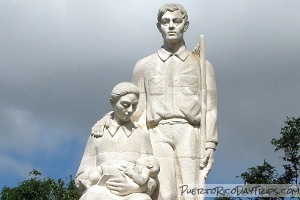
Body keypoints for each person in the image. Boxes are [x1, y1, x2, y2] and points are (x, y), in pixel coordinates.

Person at [131, 4, 218, 200]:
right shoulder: (143, 66)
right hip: (156, 131)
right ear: (158, 26)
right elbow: (136, 110)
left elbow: (210, 108)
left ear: (185, 25)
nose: (171, 26)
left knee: (192, 192)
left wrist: (210, 144)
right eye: (165, 22)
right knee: (164, 193)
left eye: (176, 21)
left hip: (189, 131)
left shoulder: (203, 65)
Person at [75, 82, 158, 200]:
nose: (130, 110)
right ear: (113, 103)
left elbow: (152, 177)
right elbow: (80, 178)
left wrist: (134, 188)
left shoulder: (142, 135)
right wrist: (104, 169)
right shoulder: (98, 133)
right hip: (102, 191)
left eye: (134, 106)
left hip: (133, 193)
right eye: (125, 104)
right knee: (92, 195)